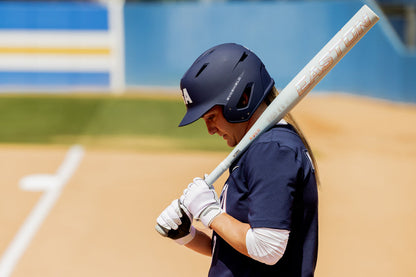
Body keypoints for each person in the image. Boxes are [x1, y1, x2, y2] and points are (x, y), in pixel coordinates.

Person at [156, 43, 319, 277]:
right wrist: (187, 235)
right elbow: (240, 252)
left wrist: (208, 212)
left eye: (211, 116)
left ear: (242, 99)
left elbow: (267, 248)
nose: (210, 130)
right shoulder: (262, 148)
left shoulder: (272, 151)